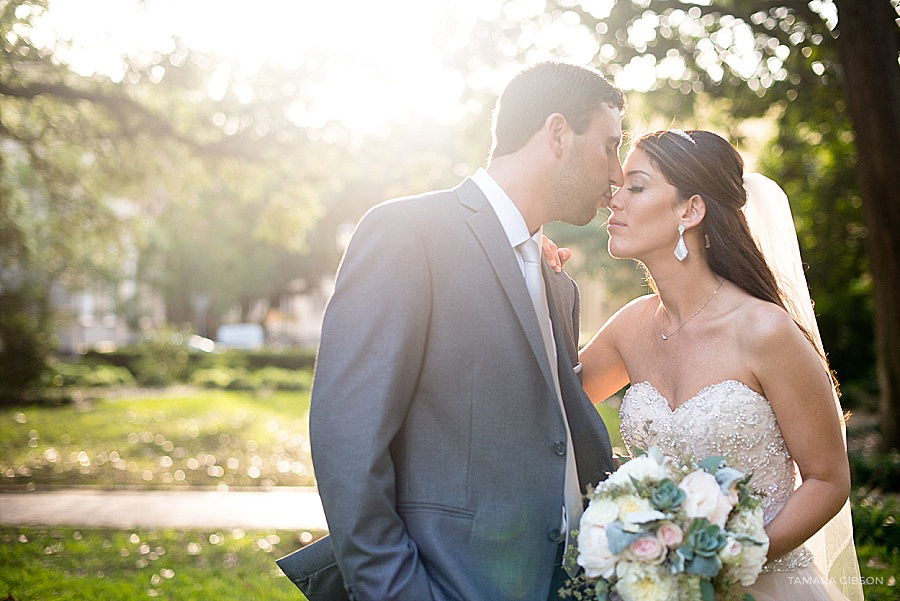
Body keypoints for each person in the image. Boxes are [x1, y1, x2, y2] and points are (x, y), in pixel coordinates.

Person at [307, 62, 624, 601]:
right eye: (609, 146)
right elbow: (348, 443)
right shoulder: (408, 234)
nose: (617, 173)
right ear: (556, 134)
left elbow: (548, 436)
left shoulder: (559, 282)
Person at [546, 129, 863, 600]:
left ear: (690, 211)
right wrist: (540, 282)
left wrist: (721, 565)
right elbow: (553, 408)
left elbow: (827, 480)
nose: (615, 200)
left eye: (636, 186)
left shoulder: (765, 331)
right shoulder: (630, 327)